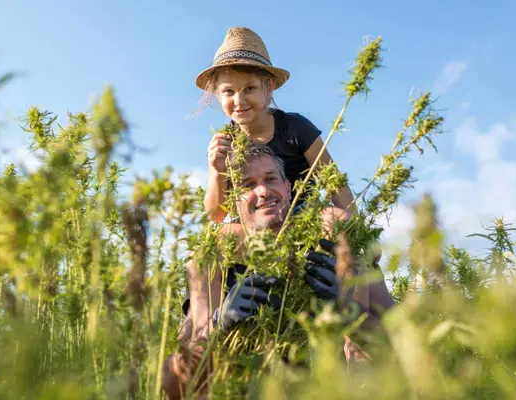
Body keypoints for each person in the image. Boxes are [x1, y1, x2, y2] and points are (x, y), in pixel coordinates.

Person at [161, 142, 395, 399]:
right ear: (232, 201)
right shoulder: (215, 259)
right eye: (248, 185)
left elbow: (398, 343)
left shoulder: (335, 241)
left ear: (289, 187)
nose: (262, 191)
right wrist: (219, 323)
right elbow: (176, 386)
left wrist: (352, 315)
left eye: (271, 178)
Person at [194, 26, 356, 232]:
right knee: (223, 235)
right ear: (217, 94)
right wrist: (217, 171)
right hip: (254, 222)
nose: (239, 100)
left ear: (268, 87)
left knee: (334, 217)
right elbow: (216, 215)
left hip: (301, 217)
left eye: (249, 88)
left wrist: (353, 225)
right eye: (229, 91)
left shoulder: (296, 128)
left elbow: (335, 183)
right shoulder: (225, 144)